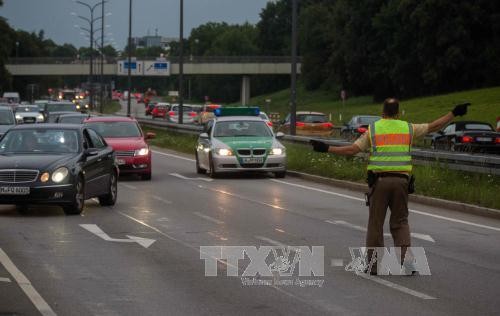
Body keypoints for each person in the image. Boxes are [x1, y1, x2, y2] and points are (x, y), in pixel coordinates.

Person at [311, 98, 470, 275]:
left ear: (383, 112)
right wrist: (454, 113)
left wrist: (326, 149)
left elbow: (352, 150)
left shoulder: (374, 129)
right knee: (400, 222)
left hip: (380, 182)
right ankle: (407, 263)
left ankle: (373, 266)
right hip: (402, 182)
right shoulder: (408, 128)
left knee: (376, 224)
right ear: (398, 112)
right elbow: (434, 126)